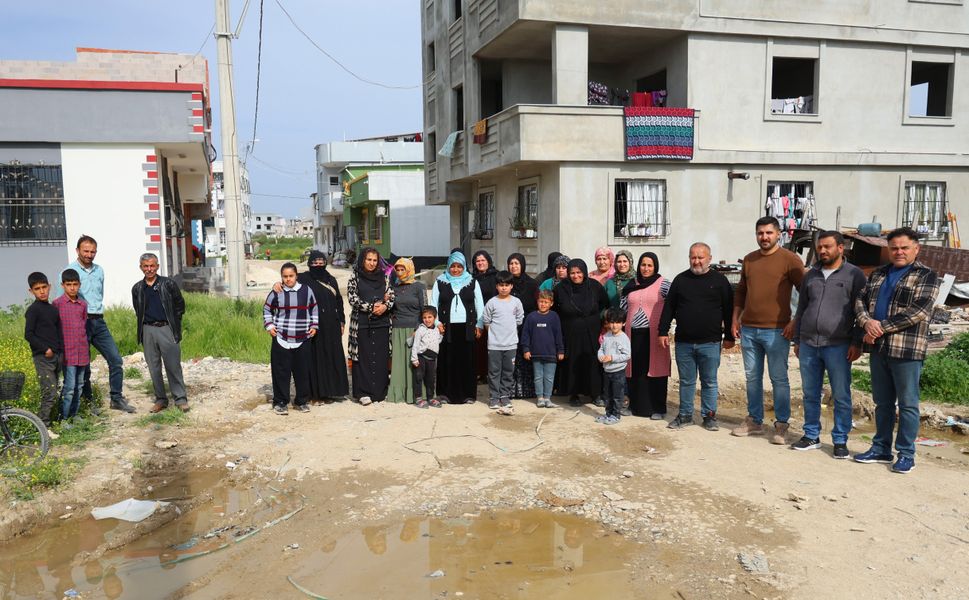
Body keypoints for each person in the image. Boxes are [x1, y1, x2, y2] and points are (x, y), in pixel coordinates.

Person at [853, 227, 940, 474]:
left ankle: (906, 454)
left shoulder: (926, 275)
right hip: (879, 348)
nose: (899, 252)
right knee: (882, 403)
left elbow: (919, 310)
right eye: (894, 248)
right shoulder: (878, 274)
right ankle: (880, 448)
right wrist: (866, 322)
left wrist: (880, 327)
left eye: (904, 248)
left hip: (906, 350)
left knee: (908, 404)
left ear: (916, 249)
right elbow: (860, 300)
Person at [791, 232, 866, 457]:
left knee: (841, 394)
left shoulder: (855, 275)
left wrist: (857, 342)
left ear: (841, 248)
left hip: (839, 345)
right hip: (808, 345)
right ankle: (811, 435)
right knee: (810, 392)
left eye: (827, 247)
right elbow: (801, 308)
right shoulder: (811, 275)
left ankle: (840, 440)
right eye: (820, 247)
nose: (822, 251)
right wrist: (797, 339)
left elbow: (861, 311)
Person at [730, 216, 805, 443]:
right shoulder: (750, 260)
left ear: (778, 234)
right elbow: (741, 292)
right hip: (749, 330)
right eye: (760, 233)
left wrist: (795, 321)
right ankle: (754, 420)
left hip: (777, 331)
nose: (764, 237)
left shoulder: (791, 260)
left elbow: (806, 293)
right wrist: (735, 319)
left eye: (768, 233)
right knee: (753, 377)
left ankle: (781, 425)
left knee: (778, 378)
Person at [659, 242, 735, 431]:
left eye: (701, 257)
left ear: (709, 258)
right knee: (686, 381)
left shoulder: (720, 281)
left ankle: (709, 416)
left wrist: (729, 337)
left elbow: (728, 309)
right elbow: (669, 307)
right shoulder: (680, 280)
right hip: (684, 342)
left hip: (710, 342)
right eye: (693, 257)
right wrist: (662, 331)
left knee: (709, 381)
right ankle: (685, 415)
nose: (697, 261)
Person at [66, 235, 133, 413]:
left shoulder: (99, 270)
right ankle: (87, 404)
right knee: (84, 366)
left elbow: (99, 295)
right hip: (80, 322)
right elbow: (63, 300)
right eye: (86, 251)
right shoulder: (70, 271)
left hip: (98, 321)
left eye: (93, 251)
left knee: (116, 359)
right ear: (77, 251)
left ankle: (116, 398)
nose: (89, 254)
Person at [132, 253, 189, 413]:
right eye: (145, 266)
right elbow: (138, 310)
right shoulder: (137, 288)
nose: (149, 269)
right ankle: (161, 399)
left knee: (173, 365)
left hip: (167, 328)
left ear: (157, 266)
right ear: (141, 267)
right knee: (154, 367)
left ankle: (180, 399)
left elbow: (180, 305)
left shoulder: (168, 284)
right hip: (147, 330)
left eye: (152, 266)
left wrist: (172, 324)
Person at [263, 262, 319, 415]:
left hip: (303, 338)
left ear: (296, 276)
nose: (288, 279)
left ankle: (301, 401)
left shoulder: (306, 291)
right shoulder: (276, 292)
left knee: (302, 372)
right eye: (285, 276)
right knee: (281, 372)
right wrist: (269, 326)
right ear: (281, 277)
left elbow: (314, 308)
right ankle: (280, 402)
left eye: (291, 276)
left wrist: (314, 325)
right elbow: (267, 308)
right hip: (281, 338)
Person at [621, 252, 671, 419]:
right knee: (635, 371)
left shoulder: (663, 284)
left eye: (650, 265)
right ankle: (634, 406)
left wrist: (665, 328)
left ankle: (657, 408)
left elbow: (672, 305)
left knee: (656, 370)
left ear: (655, 266)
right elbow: (623, 308)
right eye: (643, 265)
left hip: (654, 335)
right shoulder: (631, 284)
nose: (646, 268)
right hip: (632, 334)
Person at [554, 259, 610, 406]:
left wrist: (600, 321)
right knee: (572, 363)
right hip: (570, 333)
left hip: (591, 332)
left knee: (592, 361)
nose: (575, 276)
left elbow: (605, 303)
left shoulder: (595, 286)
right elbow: (555, 309)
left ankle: (595, 393)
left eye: (579, 272)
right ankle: (574, 394)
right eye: (572, 273)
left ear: (584, 272)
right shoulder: (561, 288)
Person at [432, 250, 484, 404]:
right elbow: (433, 304)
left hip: (467, 327)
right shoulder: (440, 281)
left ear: (464, 267)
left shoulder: (472, 282)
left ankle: (468, 394)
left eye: (459, 266)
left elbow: (479, 305)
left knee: (466, 361)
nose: (456, 269)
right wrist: (436, 323)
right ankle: (445, 394)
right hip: (446, 328)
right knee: (447, 361)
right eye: (453, 266)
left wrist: (479, 324)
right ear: (448, 266)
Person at [347, 247, 395, 405]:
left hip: (381, 323)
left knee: (380, 357)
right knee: (363, 357)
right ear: (363, 260)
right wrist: (370, 307)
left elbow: (391, 295)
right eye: (369, 259)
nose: (372, 263)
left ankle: (380, 392)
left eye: (375, 260)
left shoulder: (384, 276)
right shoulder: (355, 276)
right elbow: (352, 297)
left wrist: (385, 306)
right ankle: (363, 393)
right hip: (361, 323)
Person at [299, 251, 349, 400]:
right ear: (309, 264)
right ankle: (315, 392)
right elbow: (287, 281)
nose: (318, 265)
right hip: (313, 325)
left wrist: (341, 321)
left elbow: (339, 301)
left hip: (332, 325)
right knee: (315, 356)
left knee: (331, 355)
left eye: (321, 262)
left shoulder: (331, 280)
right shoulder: (303, 278)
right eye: (315, 263)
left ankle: (332, 391)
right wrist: (277, 284)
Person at [482, 270, 525, 414]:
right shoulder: (491, 302)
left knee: (508, 371)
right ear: (497, 286)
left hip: (511, 344)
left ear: (511, 286)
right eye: (501, 285)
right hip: (494, 345)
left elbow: (519, 319)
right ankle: (494, 397)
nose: (504, 288)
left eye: (507, 285)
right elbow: (486, 321)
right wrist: (494, 335)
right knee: (494, 372)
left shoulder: (516, 302)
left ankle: (505, 396)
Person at [23, 272, 62, 430]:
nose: (41, 291)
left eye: (44, 287)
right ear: (31, 291)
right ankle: (43, 427)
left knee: (55, 390)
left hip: (57, 356)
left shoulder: (53, 309)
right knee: (49, 392)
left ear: (49, 287)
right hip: (43, 358)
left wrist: (60, 351)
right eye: (37, 289)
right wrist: (45, 349)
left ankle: (53, 421)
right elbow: (28, 334)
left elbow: (57, 331)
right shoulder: (33, 310)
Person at [53, 269, 89, 425]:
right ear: (63, 285)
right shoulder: (57, 304)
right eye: (69, 285)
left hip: (82, 351)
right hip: (68, 354)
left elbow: (84, 325)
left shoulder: (82, 304)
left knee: (80, 385)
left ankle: (74, 414)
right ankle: (64, 418)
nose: (72, 288)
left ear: (79, 285)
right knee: (69, 387)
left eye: (75, 284)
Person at [387, 257, 426, 403]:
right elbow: (390, 309)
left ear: (409, 269)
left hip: (414, 330)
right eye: (397, 269)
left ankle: (417, 394)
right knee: (398, 365)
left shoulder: (419, 287)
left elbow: (425, 310)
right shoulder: (393, 287)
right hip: (397, 330)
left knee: (414, 363)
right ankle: (399, 394)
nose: (399, 272)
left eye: (402, 269)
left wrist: (420, 329)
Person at [521, 289, 565, 409]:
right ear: (537, 302)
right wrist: (526, 349)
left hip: (551, 354)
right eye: (541, 301)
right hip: (536, 354)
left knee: (549, 377)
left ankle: (547, 398)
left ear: (551, 303)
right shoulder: (531, 317)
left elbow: (558, 334)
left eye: (546, 302)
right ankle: (540, 398)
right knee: (538, 376)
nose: (543, 304)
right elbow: (526, 335)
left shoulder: (554, 317)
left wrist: (560, 350)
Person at [507, 253, 539, 400]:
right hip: (508, 328)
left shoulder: (532, 284)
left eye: (517, 263)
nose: (513, 266)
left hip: (527, 327)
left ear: (522, 265)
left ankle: (527, 390)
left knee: (526, 357)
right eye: (511, 263)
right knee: (511, 359)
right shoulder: (505, 283)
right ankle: (511, 390)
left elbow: (536, 306)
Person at [596, 308, 631, 425]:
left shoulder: (624, 338)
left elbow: (627, 355)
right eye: (611, 322)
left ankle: (616, 415)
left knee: (617, 395)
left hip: (618, 372)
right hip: (607, 371)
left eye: (617, 322)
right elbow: (601, 349)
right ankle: (608, 413)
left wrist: (612, 357)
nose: (614, 325)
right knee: (607, 395)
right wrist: (600, 356)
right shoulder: (606, 335)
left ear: (623, 323)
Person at [472, 251, 499, 383]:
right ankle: (480, 373)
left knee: (493, 345)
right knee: (479, 346)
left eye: (483, 260)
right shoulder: (472, 278)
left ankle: (491, 373)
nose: (481, 263)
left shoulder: (496, 276)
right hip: (477, 316)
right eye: (478, 261)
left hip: (494, 316)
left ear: (488, 261)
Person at [411, 306, 443, 409]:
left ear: (435, 318)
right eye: (424, 317)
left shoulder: (436, 330)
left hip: (432, 358)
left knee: (430, 379)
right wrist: (414, 359)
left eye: (430, 317)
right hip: (421, 357)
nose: (427, 320)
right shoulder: (420, 330)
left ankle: (430, 398)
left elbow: (438, 341)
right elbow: (415, 345)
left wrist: (441, 334)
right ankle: (418, 398)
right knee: (418, 378)